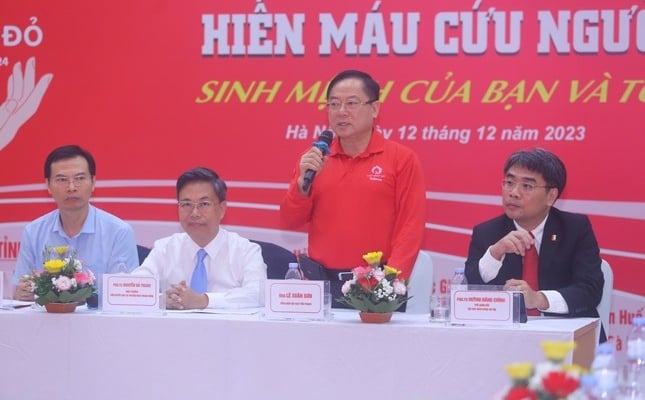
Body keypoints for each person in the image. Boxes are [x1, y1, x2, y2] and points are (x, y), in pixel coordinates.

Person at [279, 69, 426, 307]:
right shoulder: (314, 159)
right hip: (321, 284)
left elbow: (410, 227)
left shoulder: (401, 159)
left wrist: (389, 283)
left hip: (375, 286)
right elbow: (289, 220)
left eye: (352, 103)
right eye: (334, 104)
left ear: (375, 108)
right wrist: (300, 188)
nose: (341, 112)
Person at [464, 148, 606, 341]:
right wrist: (495, 253)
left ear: (551, 196)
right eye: (509, 182)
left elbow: (590, 290)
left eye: (527, 186)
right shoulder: (487, 232)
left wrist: (539, 299)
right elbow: (470, 294)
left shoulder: (575, 229)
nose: (513, 193)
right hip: (503, 342)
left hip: (568, 340)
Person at [12, 144, 139, 300]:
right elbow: (20, 287)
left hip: (101, 323)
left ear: (93, 182)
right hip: (48, 321)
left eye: (79, 178)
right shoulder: (33, 232)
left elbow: (124, 295)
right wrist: (22, 292)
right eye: (62, 180)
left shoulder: (119, 232)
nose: (71, 187)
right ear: (48, 185)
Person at [131, 167, 266, 309]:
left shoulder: (246, 251)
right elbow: (133, 288)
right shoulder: (164, 248)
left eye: (204, 204)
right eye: (186, 204)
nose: (194, 213)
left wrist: (203, 301)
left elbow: (259, 294)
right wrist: (163, 300)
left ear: (222, 209)